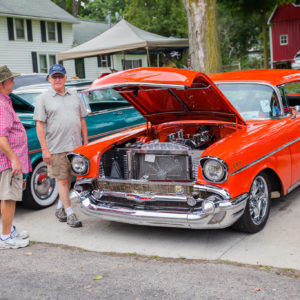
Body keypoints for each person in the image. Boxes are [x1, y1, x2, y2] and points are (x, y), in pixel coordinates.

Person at [33, 64, 88, 228]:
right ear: (49, 79)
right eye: (54, 77)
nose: (57, 79)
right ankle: (70, 213)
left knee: (72, 178)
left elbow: (82, 120)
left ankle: (59, 207)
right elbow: (39, 126)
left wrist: (86, 143)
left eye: (60, 76)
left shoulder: (75, 95)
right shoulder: (43, 98)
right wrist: (44, 149)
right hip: (56, 147)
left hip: (75, 147)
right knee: (62, 181)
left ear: (65, 78)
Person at [0, 65, 31, 249]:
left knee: (8, 196)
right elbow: (1, 136)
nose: (13, 82)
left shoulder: (5, 101)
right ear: (3, 83)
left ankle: (8, 229)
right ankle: (5, 237)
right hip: (8, 160)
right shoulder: (1, 105)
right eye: (11, 80)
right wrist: (14, 159)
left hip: (9, 159)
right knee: (9, 197)